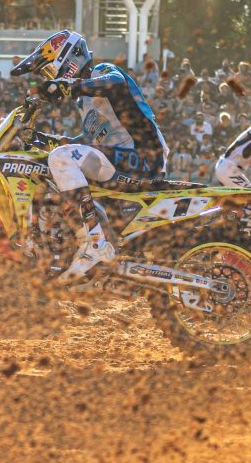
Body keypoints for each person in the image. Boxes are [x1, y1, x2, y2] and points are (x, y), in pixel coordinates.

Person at [13, 30, 170, 281]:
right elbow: (84, 144)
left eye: (49, 71)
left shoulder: (103, 73)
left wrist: (70, 85)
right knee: (55, 163)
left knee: (62, 158)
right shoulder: (84, 102)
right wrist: (40, 139)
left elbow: (116, 83)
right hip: (118, 161)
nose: (49, 78)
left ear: (66, 58)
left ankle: (94, 243)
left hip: (143, 158)